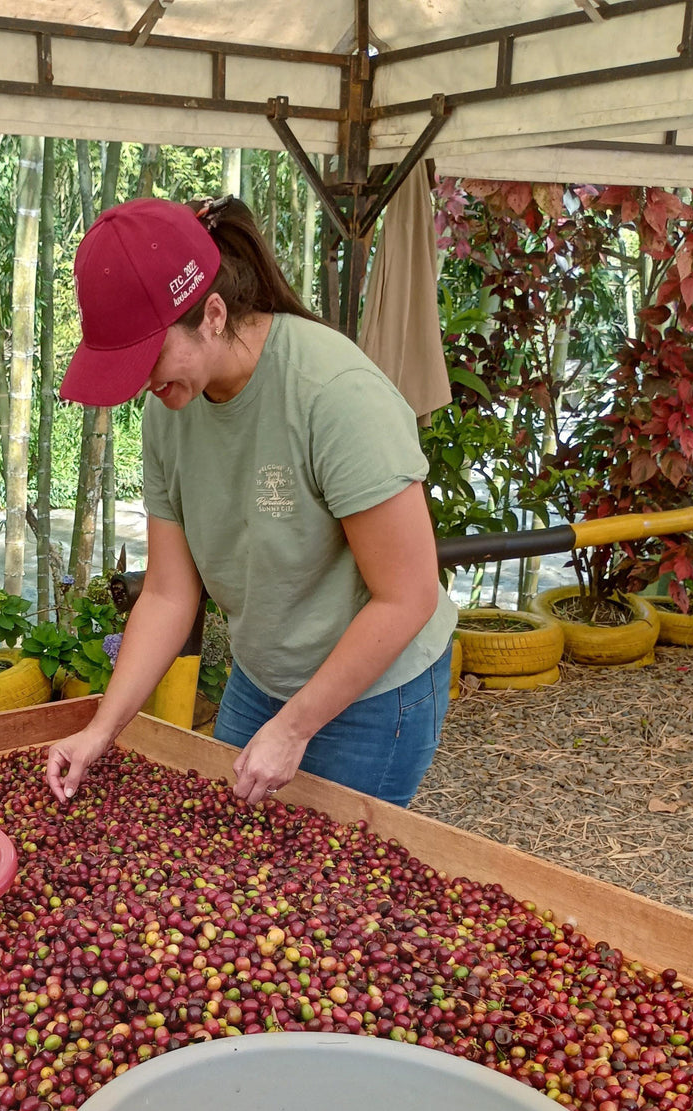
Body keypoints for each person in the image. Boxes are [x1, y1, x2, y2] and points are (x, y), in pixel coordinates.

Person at [47, 195, 457, 809]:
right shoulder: (172, 409)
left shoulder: (335, 395)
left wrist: (294, 729)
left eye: (149, 359)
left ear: (213, 313)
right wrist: (102, 729)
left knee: (330, 892)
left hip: (374, 691)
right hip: (261, 679)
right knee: (238, 879)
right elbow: (167, 592)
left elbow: (408, 596)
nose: (146, 387)